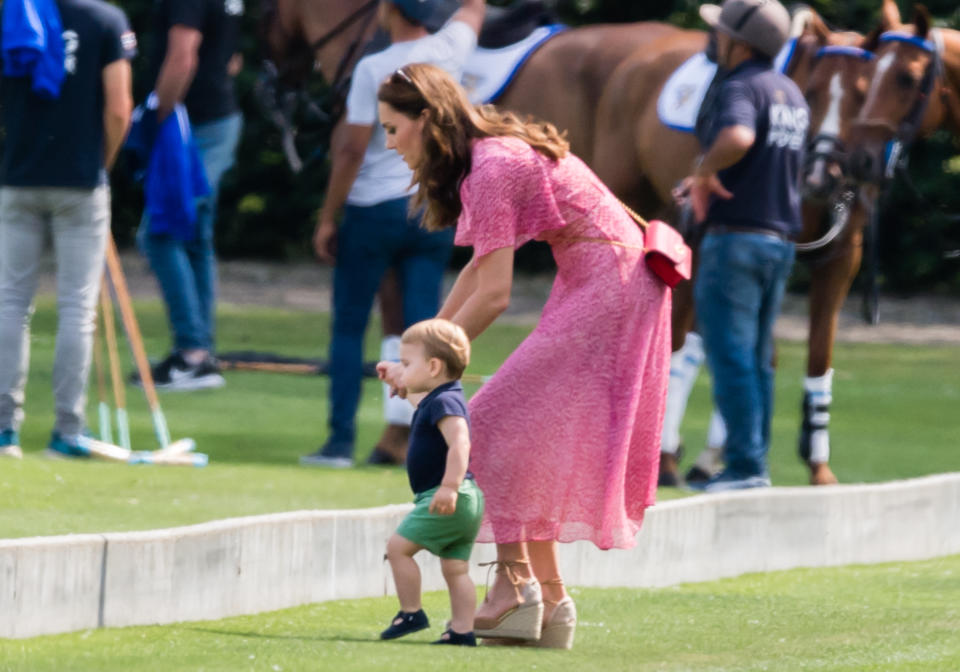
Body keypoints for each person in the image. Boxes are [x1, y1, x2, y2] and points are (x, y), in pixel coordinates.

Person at [376, 63, 672, 648]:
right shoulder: (488, 157)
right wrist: (425, 345)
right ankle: (551, 604)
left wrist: (429, 374)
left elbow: (496, 294)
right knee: (525, 439)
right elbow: (478, 271)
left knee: (483, 426)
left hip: (608, 287)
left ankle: (514, 592)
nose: (388, 143)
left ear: (427, 120)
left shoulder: (489, 168)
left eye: (392, 129)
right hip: (611, 281)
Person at [300, 0, 485, 468]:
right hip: (430, 207)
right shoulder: (449, 49)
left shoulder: (375, 68)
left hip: (371, 210)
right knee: (428, 333)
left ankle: (339, 442)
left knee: (349, 325)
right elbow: (475, 8)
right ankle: (425, 446)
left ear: (390, 10)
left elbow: (350, 149)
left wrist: (327, 215)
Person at [679, 0, 808, 492]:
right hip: (778, 241)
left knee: (730, 355)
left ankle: (746, 468)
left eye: (722, 32)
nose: (715, 40)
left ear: (741, 43)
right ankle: (755, 462)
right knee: (754, 358)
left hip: (735, 241)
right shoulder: (789, 91)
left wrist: (702, 171)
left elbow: (736, 136)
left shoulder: (740, 87)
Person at [0, 0, 135, 457]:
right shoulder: (106, 20)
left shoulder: (14, 11)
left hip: (17, 178)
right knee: (77, 308)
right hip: (80, 181)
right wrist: (104, 165)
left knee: (11, 304)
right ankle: (66, 431)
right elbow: (119, 108)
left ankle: (4, 432)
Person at [137, 0, 244, 390]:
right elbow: (233, 59)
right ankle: (199, 353)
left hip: (192, 126)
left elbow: (183, 57)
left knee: (159, 233)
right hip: (217, 118)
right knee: (195, 238)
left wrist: (158, 117)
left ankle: (192, 354)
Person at [377, 318, 483, 646]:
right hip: (464, 499)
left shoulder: (445, 402)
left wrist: (448, 486)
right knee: (455, 568)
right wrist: (401, 379)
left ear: (433, 366)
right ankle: (463, 630)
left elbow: (460, 442)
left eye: (407, 363)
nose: (403, 368)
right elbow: (419, 406)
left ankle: (411, 612)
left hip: (449, 494)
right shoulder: (440, 398)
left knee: (398, 549)